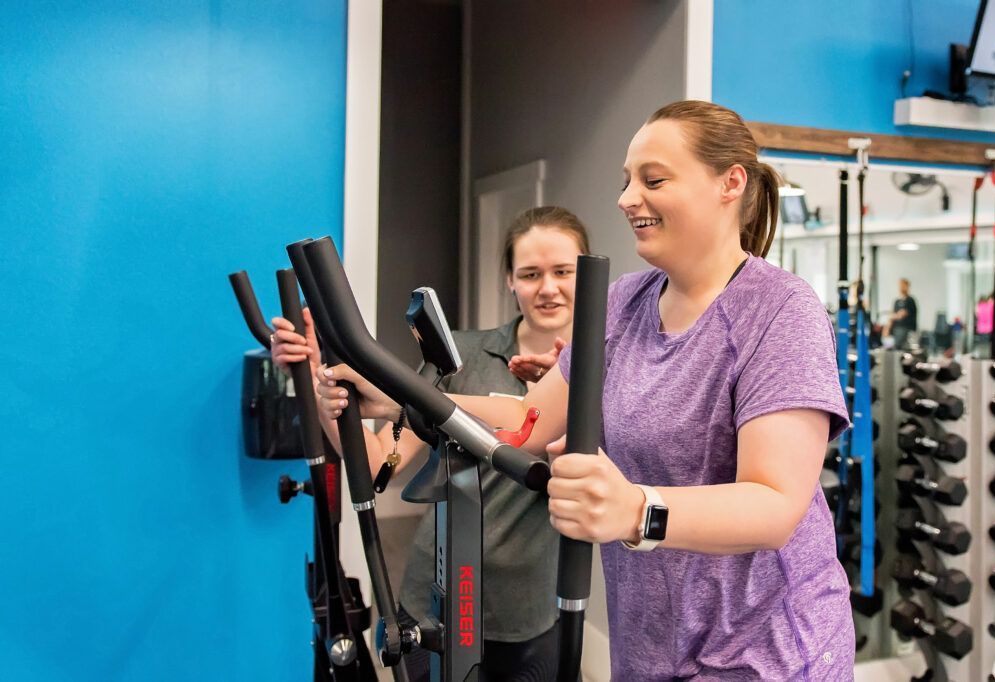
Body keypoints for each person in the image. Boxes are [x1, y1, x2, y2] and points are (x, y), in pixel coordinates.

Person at [318, 100, 854, 680]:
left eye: (653, 180)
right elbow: (526, 421)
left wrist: (636, 509)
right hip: (652, 640)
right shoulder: (622, 302)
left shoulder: (780, 311)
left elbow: (773, 504)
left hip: (764, 647)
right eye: (627, 182)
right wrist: (403, 398)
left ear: (730, 183)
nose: (627, 199)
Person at [271, 206, 590, 681]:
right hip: (435, 597)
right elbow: (381, 460)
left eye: (563, 271)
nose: (547, 287)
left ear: (586, 272)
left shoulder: (603, 372)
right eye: (530, 273)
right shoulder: (461, 356)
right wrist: (324, 375)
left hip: (528, 608)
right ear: (509, 280)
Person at [883, 277, 917, 349]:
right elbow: (892, 316)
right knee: (885, 334)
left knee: (899, 333)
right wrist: (887, 328)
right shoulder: (896, 301)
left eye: (903, 285)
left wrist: (894, 316)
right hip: (896, 327)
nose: (901, 287)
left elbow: (901, 314)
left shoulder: (910, 300)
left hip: (906, 328)